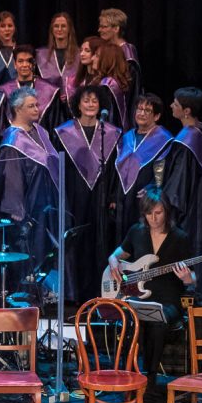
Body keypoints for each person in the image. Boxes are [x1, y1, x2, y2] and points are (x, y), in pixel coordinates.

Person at [107, 186, 193, 403]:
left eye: (158, 213)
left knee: (157, 322)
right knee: (133, 320)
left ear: (166, 211)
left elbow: (193, 277)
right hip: (139, 296)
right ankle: (128, 377)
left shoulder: (180, 237)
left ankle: (150, 381)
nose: (154, 219)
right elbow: (119, 253)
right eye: (149, 214)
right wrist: (113, 260)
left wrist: (187, 278)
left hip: (168, 300)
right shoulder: (137, 231)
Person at [54, 86, 122, 305]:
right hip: (74, 196)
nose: (91, 104)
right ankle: (75, 293)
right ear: (78, 104)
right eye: (86, 101)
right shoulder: (64, 133)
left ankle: (98, 290)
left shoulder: (110, 133)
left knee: (98, 241)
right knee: (76, 242)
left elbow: (114, 169)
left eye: (94, 101)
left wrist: (112, 195)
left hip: (99, 197)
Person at [0, 89, 61, 284]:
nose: (37, 109)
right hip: (29, 212)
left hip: (47, 206)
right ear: (17, 109)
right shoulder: (13, 141)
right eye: (31, 106)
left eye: (37, 105)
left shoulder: (40, 132)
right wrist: (16, 209)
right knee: (32, 257)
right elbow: (11, 178)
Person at [163, 87, 202, 303]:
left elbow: (178, 186)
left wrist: (162, 202)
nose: (171, 106)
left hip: (192, 205)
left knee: (190, 247)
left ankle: (193, 299)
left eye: (176, 104)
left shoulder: (186, 140)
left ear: (186, 111)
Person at [111, 93, 173, 244]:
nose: (141, 113)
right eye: (139, 109)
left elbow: (163, 170)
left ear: (156, 116)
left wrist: (153, 187)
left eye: (147, 110)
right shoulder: (127, 137)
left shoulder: (164, 139)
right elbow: (116, 169)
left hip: (144, 197)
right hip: (123, 198)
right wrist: (113, 196)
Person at [0, 45, 64, 130]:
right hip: (14, 141)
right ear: (15, 64)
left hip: (42, 141)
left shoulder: (50, 91)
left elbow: (55, 125)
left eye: (28, 61)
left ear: (34, 64)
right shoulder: (3, 92)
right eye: (20, 61)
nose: (25, 65)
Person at [98, 8, 141, 110]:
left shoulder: (128, 54)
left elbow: (130, 92)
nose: (99, 30)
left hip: (121, 111)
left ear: (116, 28)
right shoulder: (106, 51)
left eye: (104, 27)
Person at [35, 12, 79, 104]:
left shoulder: (79, 54)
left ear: (69, 29)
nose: (59, 29)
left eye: (63, 26)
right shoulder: (40, 55)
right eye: (56, 26)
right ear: (52, 29)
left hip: (74, 103)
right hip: (49, 104)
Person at [93, 41, 131, 130]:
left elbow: (108, 119)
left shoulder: (108, 86)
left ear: (106, 60)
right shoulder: (117, 82)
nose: (93, 58)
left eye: (97, 56)